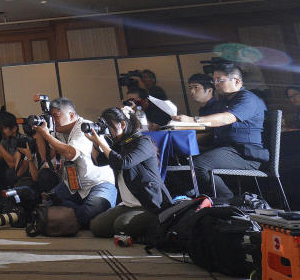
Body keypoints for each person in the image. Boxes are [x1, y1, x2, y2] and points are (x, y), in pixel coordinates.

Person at [172, 62, 268, 204]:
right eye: (214, 80)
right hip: (225, 149)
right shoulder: (224, 101)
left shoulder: (247, 98)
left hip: (244, 153)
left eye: (220, 80)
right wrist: (177, 127)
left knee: (199, 164)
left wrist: (193, 120)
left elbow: (226, 118)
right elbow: (211, 126)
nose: (216, 83)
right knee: (181, 157)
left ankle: (228, 202)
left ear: (236, 81)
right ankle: (195, 199)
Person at [88, 106, 172, 241]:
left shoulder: (143, 141)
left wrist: (102, 143)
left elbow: (123, 162)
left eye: (109, 126)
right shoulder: (118, 145)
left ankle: (155, 224)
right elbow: (98, 161)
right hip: (127, 205)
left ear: (122, 124)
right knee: (96, 226)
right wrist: (95, 143)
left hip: (149, 205)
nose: (107, 130)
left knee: (121, 226)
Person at [31, 97, 116, 229]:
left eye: (56, 116)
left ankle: (70, 212)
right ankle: (73, 213)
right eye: (50, 117)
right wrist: (40, 134)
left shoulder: (85, 127)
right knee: (46, 202)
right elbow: (46, 157)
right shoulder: (59, 131)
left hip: (99, 184)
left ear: (71, 115)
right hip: (73, 185)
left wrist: (47, 135)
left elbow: (71, 153)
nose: (52, 121)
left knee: (89, 212)